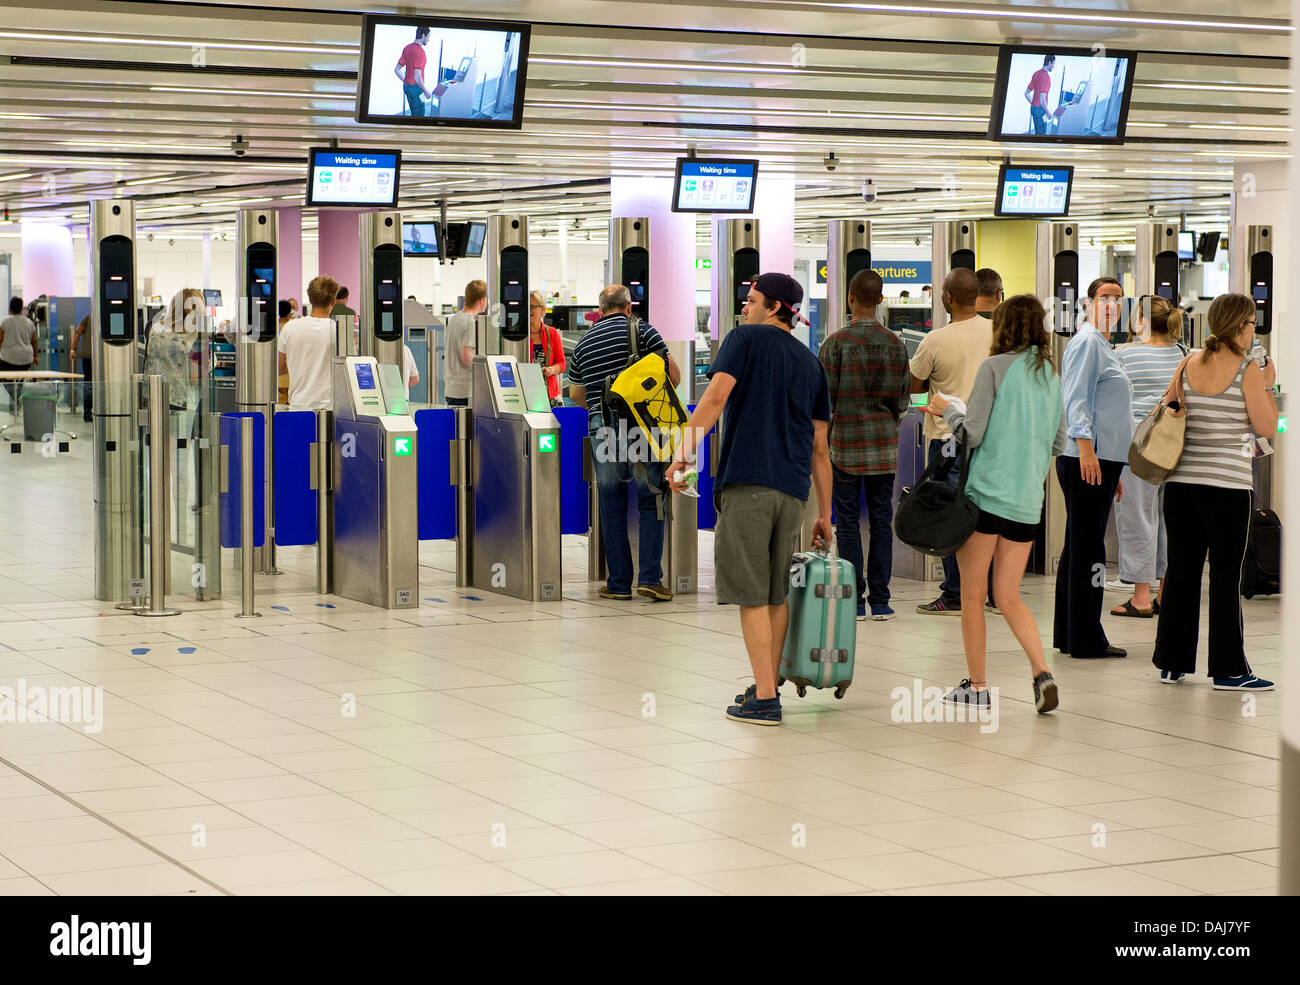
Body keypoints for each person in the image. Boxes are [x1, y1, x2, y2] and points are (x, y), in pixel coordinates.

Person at [668, 273, 831, 727]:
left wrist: (682, 456)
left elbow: (715, 397)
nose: (744, 306)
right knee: (776, 593)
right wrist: (826, 514)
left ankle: (764, 698)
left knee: (752, 594)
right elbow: (821, 449)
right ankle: (767, 685)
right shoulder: (811, 363)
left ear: (775, 307)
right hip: (794, 493)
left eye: (751, 299)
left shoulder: (744, 339)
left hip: (750, 485)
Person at [929, 295, 1067, 714]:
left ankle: (978, 686)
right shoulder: (1050, 375)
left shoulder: (994, 368)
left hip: (985, 498)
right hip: (1027, 502)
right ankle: (1041, 673)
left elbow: (972, 434)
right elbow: (1058, 442)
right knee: (1008, 596)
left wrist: (947, 411)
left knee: (972, 596)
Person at [1154, 294, 1278, 691]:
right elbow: (1268, 429)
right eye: (1252, 324)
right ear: (1239, 327)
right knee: (1225, 576)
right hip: (1227, 489)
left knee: (1182, 572)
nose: (1254, 330)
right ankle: (1229, 670)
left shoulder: (1189, 361)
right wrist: (1268, 386)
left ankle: (1172, 662)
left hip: (1181, 486)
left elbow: (1167, 406)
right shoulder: (1248, 370)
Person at [570, 284, 682, 603]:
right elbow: (672, 376)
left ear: (600, 309)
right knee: (651, 498)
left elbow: (576, 394)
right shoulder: (644, 332)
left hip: (604, 427)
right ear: (628, 307)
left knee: (612, 502)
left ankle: (618, 582)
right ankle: (650, 579)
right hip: (644, 427)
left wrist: (600, 408)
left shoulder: (583, 344)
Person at [818, 268, 910, 621]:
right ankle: (882, 600)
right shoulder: (896, 344)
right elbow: (903, 401)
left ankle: (855, 600)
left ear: (850, 298)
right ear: (881, 300)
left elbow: (823, 403)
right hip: (884, 449)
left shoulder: (834, 344)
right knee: (882, 521)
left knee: (849, 523)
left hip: (845, 447)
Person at [1054, 276, 1134, 659]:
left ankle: (1071, 633)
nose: (1111, 305)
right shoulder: (1087, 342)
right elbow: (1076, 399)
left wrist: (1111, 466)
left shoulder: (1103, 344)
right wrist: (1087, 450)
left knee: (1079, 547)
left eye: (1118, 299)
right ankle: (1087, 637)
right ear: (1088, 303)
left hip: (1102, 460)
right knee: (1090, 552)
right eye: (1104, 297)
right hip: (1088, 456)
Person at [908, 268, 996, 616]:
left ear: (946, 298)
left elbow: (914, 387)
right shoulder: (996, 333)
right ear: (978, 297)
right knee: (983, 514)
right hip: (987, 438)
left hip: (946, 439)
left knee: (948, 514)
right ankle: (986, 591)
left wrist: (929, 401)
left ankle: (955, 592)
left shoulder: (934, 340)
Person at [1111, 297, 1186, 618]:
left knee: (1138, 518)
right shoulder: (1183, 354)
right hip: (1174, 446)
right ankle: (1165, 594)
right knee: (1170, 520)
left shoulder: (1122, 354)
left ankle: (1141, 598)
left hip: (1137, 448)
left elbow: (1113, 405)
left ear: (1139, 321)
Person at [278, 275, 340, 411]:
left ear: (310, 299)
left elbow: (280, 367)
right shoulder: (338, 330)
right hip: (330, 407)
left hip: (299, 405)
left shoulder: (290, 327)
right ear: (333, 301)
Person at [143, 288, 204, 411]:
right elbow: (194, 378)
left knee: (156, 429)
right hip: (181, 403)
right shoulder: (197, 337)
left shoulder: (151, 327)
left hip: (151, 395)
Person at [443, 280, 486, 407]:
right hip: (465, 391)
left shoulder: (455, 318)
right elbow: (467, 357)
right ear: (481, 300)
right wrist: (486, 370)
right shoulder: (470, 321)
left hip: (452, 388)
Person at [1, 296, 38, 413]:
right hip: (26, 359)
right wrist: (36, 356)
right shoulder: (29, 322)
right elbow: (34, 341)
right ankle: (18, 397)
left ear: (10, 308)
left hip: (8, 359)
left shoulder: (5, 321)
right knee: (20, 379)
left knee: (4, 379)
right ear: (21, 308)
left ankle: (15, 398)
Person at [528, 290, 566, 403]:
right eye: (526, 307)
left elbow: (561, 363)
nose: (528, 310)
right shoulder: (519, 334)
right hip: (526, 395)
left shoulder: (552, 334)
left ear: (542, 309)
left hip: (550, 396)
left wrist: (551, 370)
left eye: (532, 307)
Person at [394, 24, 434, 118]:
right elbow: (417, 77)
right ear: (423, 36)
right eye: (428, 37)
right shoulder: (420, 52)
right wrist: (426, 91)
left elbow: (397, 70)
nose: (429, 39)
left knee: (413, 111)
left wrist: (406, 80)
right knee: (419, 115)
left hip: (407, 87)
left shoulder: (407, 48)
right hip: (416, 89)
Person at [69, 313, 93, 421]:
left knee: (88, 384)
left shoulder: (88, 318)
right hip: (103, 357)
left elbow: (78, 332)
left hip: (88, 357)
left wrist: (73, 350)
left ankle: (87, 413)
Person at [1026, 54, 1056, 135]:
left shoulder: (1036, 73)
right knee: (1041, 134)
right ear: (1049, 63)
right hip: (1041, 110)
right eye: (1053, 64)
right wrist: (1048, 113)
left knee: (1037, 131)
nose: (1053, 66)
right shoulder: (1046, 77)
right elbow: (1042, 100)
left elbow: (1026, 93)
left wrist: (1034, 104)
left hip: (1033, 108)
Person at [277, 299, 297, 403]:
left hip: (278, 377)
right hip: (292, 376)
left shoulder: (274, 327)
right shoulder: (293, 327)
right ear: (290, 311)